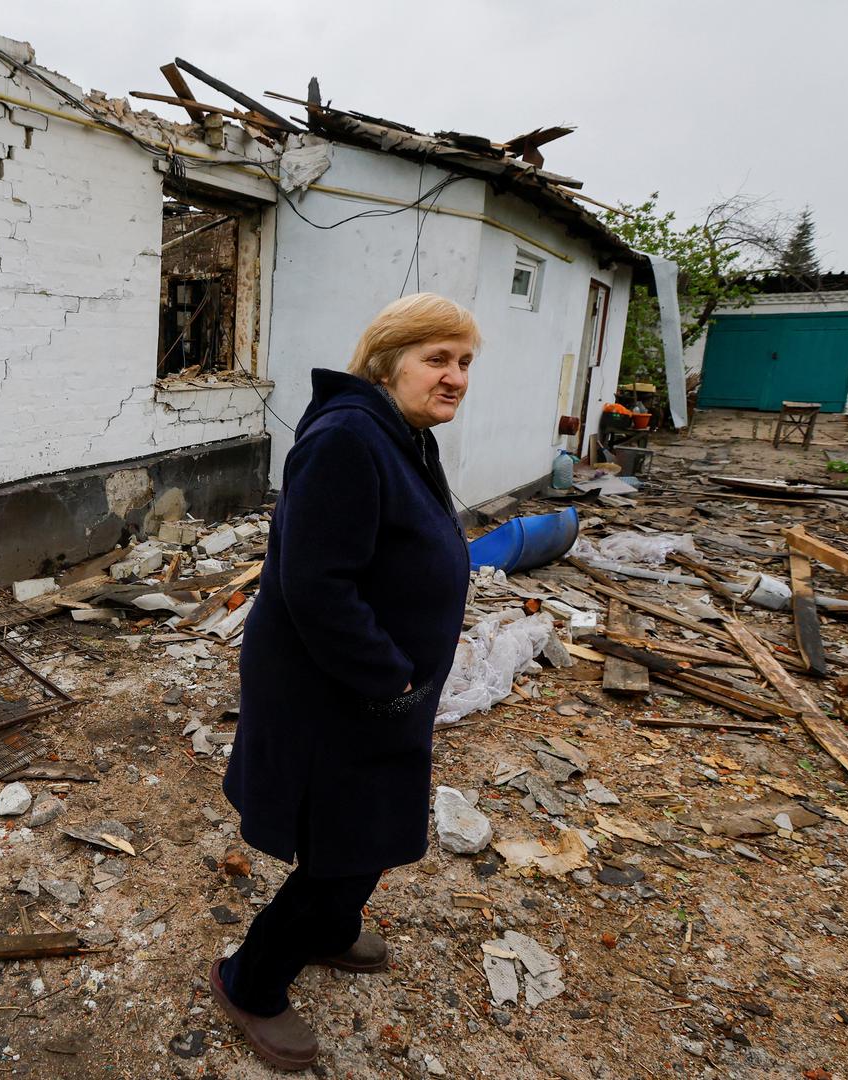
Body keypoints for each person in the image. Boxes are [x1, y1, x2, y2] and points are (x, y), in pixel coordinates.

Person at [211, 293, 478, 1071]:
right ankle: (249, 981)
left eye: (464, 362)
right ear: (387, 361)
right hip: (338, 689)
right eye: (438, 358)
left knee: (362, 826)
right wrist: (390, 678)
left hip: (373, 687)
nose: (456, 376)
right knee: (351, 846)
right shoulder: (348, 439)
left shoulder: (402, 434)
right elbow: (317, 585)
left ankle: (327, 931)